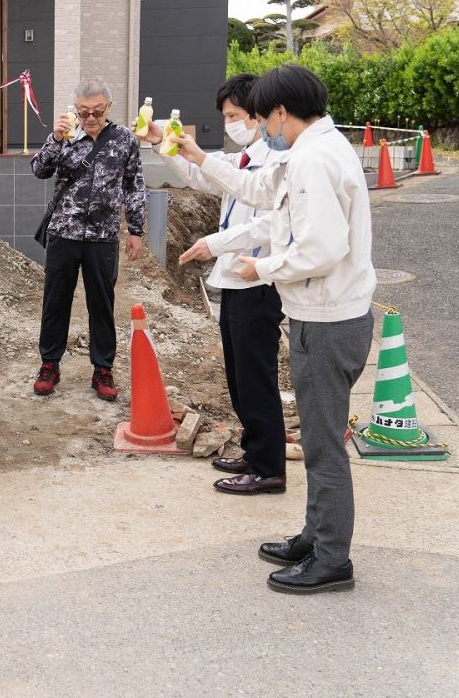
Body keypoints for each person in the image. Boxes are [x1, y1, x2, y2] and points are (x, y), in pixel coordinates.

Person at [168, 64, 375, 594]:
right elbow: (263, 196)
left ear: (283, 111)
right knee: (319, 437)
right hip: (322, 316)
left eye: (262, 117)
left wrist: (263, 268)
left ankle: (332, 560)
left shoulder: (315, 160)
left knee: (325, 446)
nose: (261, 128)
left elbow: (320, 249)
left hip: (328, 321)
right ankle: (317, 533)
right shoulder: (312, 153)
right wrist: (200, 164)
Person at [153, 74, 289, 496]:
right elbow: (203, 176)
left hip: (257, 278)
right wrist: (169, 146)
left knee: (255, 376)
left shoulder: (275, 159)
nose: (229, 123)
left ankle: (268, 468)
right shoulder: (248, 155)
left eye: (234, 115)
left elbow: (268, 215)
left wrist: (216, 245)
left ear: (258, 113)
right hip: (235, 278)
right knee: (238, 373)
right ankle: (255, 450)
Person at [30, 77, 146, 401]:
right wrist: (54, 138)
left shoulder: (124, 140)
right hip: (63, 231)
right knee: (55, 301)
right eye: (83, 112)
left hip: (103, 235)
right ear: (75, 110)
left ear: (108, 107)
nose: (90, 118)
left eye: (96, 111)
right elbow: (39, 169)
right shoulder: (65, 136)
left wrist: (136, 230)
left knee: (102, 304)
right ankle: (49, 364)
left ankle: (103, 368)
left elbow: (134, 186)